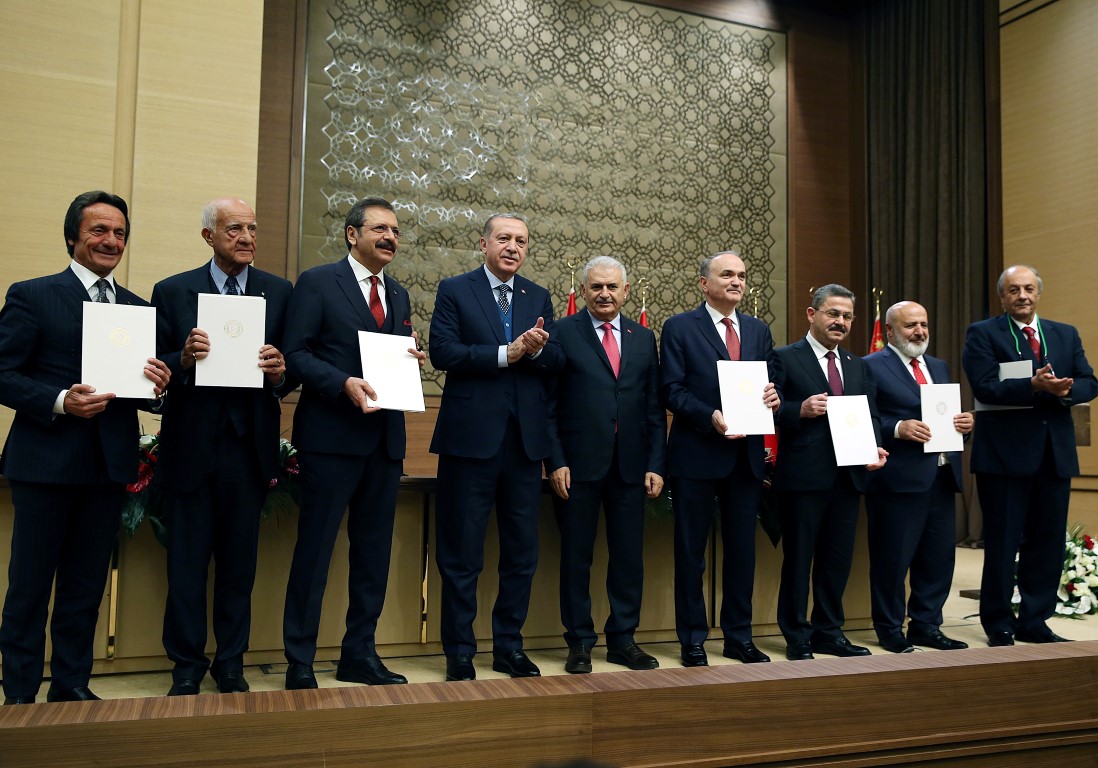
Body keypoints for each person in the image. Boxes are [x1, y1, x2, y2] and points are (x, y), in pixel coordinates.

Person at [0, 191, 170, 704]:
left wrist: (158, 389)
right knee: (29, 587)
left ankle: (71, 685)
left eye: (119, 233)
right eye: (99, 230)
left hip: (107, 467)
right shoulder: (33, 295)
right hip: (45, 464)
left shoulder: (138, 309)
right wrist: (58, 401)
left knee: (85, 587)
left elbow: (140, 391)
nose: (110, 241)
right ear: (73, 235)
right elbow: (4, 372)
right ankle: (20, 694)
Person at [280, 197, 424, 689]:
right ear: (352, 234)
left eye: (396, 231)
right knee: (315, 552)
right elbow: (295, 353)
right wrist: (341, 381)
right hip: (330, 440)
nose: (390, 238)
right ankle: (299, 659)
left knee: (372, 556)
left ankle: (359, 654)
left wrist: (409, 361)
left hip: (383, 443)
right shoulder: (318, 282)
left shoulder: (399, 294)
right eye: (380, 228)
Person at [151, 198, 293, 695]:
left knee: (238, 566)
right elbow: (153, 365)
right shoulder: (172, 290)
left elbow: (289, 370)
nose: (247, 237)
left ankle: (230, 663)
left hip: (247, 450)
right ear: (208, 236)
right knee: (186, 565)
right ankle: (186, 665)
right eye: (234, 229)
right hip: (190, 446)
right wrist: (182, 359)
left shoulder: (279, 291)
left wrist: (280, 373)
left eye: (252, 228)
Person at [429, 212, 564, 681]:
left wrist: (538, 348)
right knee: (462, 553)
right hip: (469, 442)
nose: (513, 247)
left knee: (521, 554)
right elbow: (443, 351)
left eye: (521, 241)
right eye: (504, 238)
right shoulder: (455, 289)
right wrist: (508, 354)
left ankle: (509, 647)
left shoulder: (537, 296)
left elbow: (555, 360)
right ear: (484, 243)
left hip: (523, 446)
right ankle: (459, 651)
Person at [962, 264, 1096, 646]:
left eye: (1029, 289)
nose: (1022, 296)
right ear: (1002, 296)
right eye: (1014, 290)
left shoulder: (1064, 333)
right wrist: (1033, 385)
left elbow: (1090, 381)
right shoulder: (983, 333)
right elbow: (984, 387)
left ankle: (1036, 621)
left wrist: (1065, 390)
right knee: (1003, 544)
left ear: (1038, 293)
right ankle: (998, 623)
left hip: (1054, 456)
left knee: (1047, 544)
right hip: (1004, 458)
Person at [659, 251, 781, 668]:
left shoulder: (758, 330)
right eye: (727, 274)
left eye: (741, 275)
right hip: (697, 452)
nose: (736, 281)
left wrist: (775, 395)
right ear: (704, 283)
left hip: (745, 459)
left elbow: (772, 381)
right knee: (691, 553)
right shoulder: (679, 327)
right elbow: (671, 389)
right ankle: (692, 639)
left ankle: (738, 637)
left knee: (742, 553)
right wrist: (709, 416)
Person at [546, 255, 666, 674]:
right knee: (576, 558)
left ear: (625, 291)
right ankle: (579, 641)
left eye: (612, 286)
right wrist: (555, 460)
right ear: (583, 290)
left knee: (628, 559)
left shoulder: (642, 337)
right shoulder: (562, 332)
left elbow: (653, 407)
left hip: (630, 467)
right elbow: (549, 404)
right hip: (577, 468)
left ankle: (623, 640)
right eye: (596, 286)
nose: (604, 294)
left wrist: (656, 462)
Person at [771, 284, 887, 661]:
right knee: (799, 560)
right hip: (803, 478)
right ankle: (796, 635)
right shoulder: (784, 358)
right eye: (833, 313)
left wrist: (875, 447)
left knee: (836, 561)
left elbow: (871, 415)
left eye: (847, 316)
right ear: (812, 314)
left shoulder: (858, 364)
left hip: (848, 477)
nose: (840, 322)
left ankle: (829, 632)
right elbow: (769, 410)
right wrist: (799, 410)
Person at [864, 301, 973, 653]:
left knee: (937, 559)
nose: (920, 331)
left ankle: (926, 625)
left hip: (941, 476)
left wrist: (964, 425)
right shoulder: (871, 366)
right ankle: (889, 628)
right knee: (892, 561)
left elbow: (945, 415)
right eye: (911, 325)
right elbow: (862, 418)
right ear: (890, 331)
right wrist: (898, 427)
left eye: (923, 324)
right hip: (898, 480)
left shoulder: (938, 366)